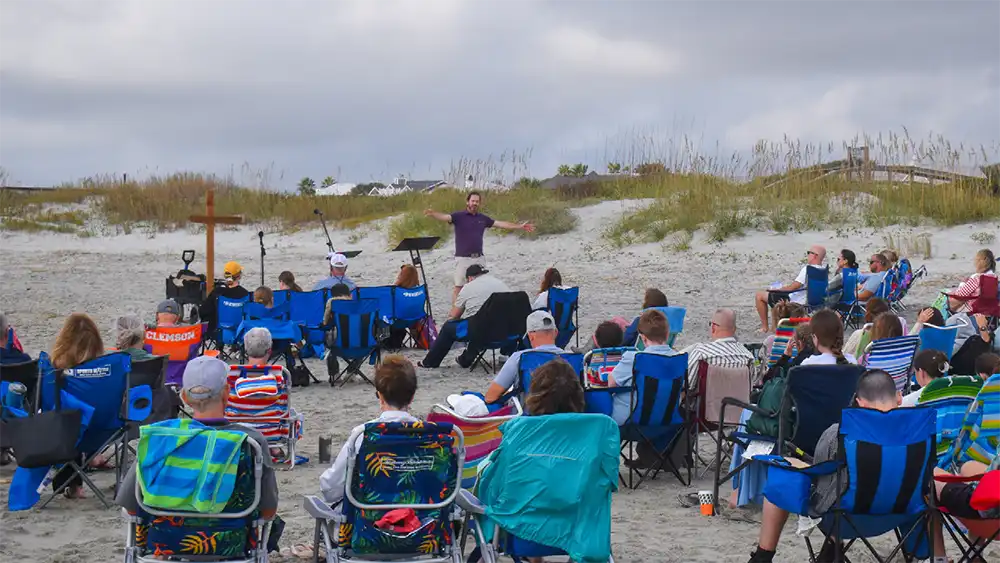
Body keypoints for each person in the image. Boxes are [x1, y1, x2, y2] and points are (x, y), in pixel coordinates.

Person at [746, 369, 902, 563]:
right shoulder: (917, 434)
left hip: (846, 519)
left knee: (781, 475)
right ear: (899, 398)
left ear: (860, 402)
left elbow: (822, 479)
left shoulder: (838, 433)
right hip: (901, 514)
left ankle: (763, 556)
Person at [115, 355, 278, 519]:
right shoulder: (249, 441)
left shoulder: (161, 437)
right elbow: (268, 511)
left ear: (184, 397)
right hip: (231, 540)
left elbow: (131, 507)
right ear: (227, 393)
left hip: (164, 541)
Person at [320, 355, 418, 506]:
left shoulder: (363, 435)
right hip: (422, 522)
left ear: (380, 395)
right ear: (412, 398)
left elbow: (330, 490)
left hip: (369, 524)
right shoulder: (434, 437)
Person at [424, 191, 535, 306]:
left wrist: (519, 226)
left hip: (479, 258)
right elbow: (445, 217)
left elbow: (500, 224)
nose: (475, 203)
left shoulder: (483, 219)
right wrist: (433, 214)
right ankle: (454, 315)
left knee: (481, 285)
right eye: (473, 201)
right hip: (463, 258)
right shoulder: (459, 216)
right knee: (459, 286)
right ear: (468, 202)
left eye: (477, 201)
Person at [50, 313, 106, 499]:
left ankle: (73, 484)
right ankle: (94, 458)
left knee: (68, 421)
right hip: (106, 428)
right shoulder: (108, 368)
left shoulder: (57, 369)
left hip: (71, 430)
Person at [419, 264, 511, 369]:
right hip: (508, 332)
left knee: (449, 327)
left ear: (470, 278)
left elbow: (454, 316)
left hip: (482, 332)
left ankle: (430, 362)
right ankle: (504, 354)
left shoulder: (468, 287)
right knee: (484, 322)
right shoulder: (499, 283)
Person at [608, 309, 677, 426]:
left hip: (632, 421)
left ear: (643, 338)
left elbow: (611, 383)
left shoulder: (633, 358)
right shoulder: (678, 359)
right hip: (667, 422)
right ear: (667, 334)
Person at [484, 311, 564, 404]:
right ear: (556, 333)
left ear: (531, 336)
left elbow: (490, 397)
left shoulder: (520, 358)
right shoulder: (574, 358)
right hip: (569, 416)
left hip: (530, 416)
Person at [754, 245, 826, 332]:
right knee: (773, 295)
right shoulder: (823, 270)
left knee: (760, 295)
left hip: (797, 303)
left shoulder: (808, 269)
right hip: (814, 304)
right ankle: (774, 326)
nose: (808, 255)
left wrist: (778, 289)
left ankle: (765, 327)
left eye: (809, 253)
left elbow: (793, 287)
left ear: (815, 255)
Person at [679, 308, 755, 387]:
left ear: (713, 328)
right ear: (734, 329)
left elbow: (688, 384)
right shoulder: (749, 357)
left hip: (708, 399)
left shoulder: (701, 354)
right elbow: (751, 385)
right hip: (740, 399)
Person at [199, 261, 251, 334]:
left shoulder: (217, 293)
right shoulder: (245, 294)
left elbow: (203, 311)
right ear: (239, 276)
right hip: (240, 331)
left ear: (225, 276)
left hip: (218, 331)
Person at [946, 248, 997, 313]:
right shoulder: (993, 277)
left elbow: (960, 294)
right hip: (987, 308)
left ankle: (938, 320)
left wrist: (963, 283)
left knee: (945, 298)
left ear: (980, 261)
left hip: (971, 309)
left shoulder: (977, 278)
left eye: (976, 260)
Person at [322, 283, 356, 378]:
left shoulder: (331, 302)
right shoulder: (356, 304)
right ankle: (352, 372)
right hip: (358, 341)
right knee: (365, 341)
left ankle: (334, 374)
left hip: (337, 341)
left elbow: (325, 322)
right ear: (349, 294)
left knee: (328, 342)